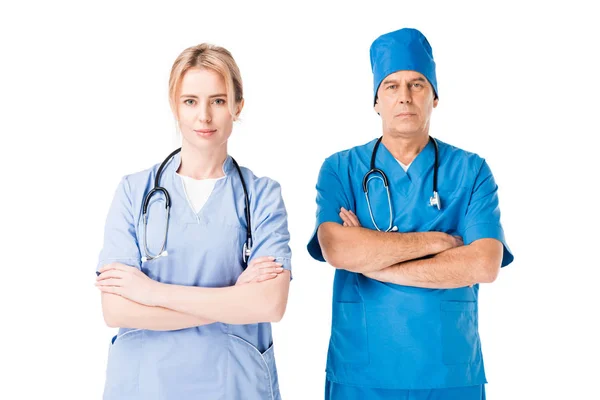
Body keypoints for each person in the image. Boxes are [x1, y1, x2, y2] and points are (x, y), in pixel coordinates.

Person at [307, 28, 514, 400]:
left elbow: (484, 263)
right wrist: (438, 242)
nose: (405, 97)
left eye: (417, 85)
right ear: (376, 101)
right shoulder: (340, 169)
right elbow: (337, 249)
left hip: (450, 374)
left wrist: (371, 260)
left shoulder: (471, 170)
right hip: (362, 372)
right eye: (391, 86)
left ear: (435, 97)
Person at [95, 43, 291, 400]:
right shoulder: (133, 192)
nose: (204, 116)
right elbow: (116, 308)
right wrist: (233, 299)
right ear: (175, 107)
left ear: (237, 106)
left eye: (217, 101)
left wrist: (152, 294)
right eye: (190, 101)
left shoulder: (262, 196)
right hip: (146, 386)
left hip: (234, 385)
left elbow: (268, 305)